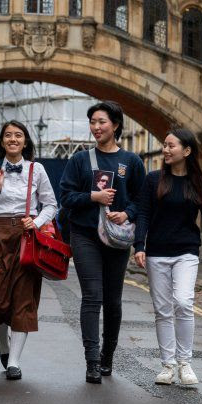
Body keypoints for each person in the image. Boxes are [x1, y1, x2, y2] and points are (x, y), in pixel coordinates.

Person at [59, 101, 146, 384]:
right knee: (92, 296)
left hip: (117, 237)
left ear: (116, 125)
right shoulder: (80, 161)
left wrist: (127, 213)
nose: (96, 127)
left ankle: (108, 355)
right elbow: (66, 198)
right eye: (93, 122)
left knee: (113, 300)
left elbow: (141, 200)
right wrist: (92, 198)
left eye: (102, 122)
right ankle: (92, 361)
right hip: (84, 234)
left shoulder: (131, 162)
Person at [134, 128, 202, 386]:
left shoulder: (199, 184)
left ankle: (185, 363)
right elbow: (142, 214)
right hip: (156, 253)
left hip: (186, 252)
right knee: (163, 310)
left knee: (184, 302)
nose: (165, 149)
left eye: (171, 146)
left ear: (186, 151)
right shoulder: (153, 180)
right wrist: (139, 245)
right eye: (164, 145)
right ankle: (168, 365)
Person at [0, 120, 57, 380]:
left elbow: (51, 205)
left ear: (25, 141)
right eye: (8, 135)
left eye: (18, 135)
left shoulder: (37, 169)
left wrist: (37, 221)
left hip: (27, 236)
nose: (13, 139)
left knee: (23, 298)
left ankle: (14, 362)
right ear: (1, 142)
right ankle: (3, 344)